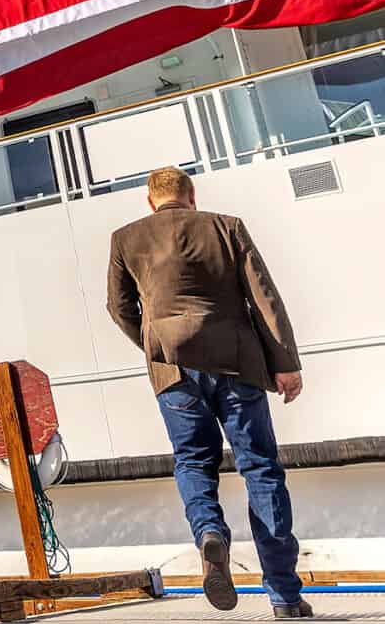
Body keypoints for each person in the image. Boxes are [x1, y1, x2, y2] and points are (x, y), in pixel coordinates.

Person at [106, 166, 310, 619]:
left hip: (174, 370)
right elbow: (264, 298)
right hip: (238, 364)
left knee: (195, 461)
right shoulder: (226, 226)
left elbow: (119, 308)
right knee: (260, 469)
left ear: (149, 201)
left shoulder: (125, 238)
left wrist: (156, 342)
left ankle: (208, 534)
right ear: (192, 196)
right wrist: (286, 364)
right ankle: (285, 596)